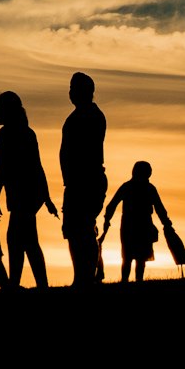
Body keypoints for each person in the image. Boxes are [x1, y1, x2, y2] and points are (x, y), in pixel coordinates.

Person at [0, 92, 58, 289]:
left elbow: (8, 167)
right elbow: (35, 166)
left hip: (25, 193)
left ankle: (16, 284)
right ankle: (30, 284)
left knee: (17, 239)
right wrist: (45, 198)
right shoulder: (25, 132)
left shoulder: (10, 134)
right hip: (28, 193)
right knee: (26, 240)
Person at [59, 72, 107, 288]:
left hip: (86, 180)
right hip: (76, 181)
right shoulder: (79, 116)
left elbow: (85, 151)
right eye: (70, 88)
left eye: (74, 88)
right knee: (74, 231)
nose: (71, 93)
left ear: (86, 91)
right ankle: (81, 276)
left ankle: (86, 277)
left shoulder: (91, 116)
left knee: (83, 229)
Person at [102, 162, 172, 284]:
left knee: (134, 256)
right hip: (136, 224)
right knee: (134, 256)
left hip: (136, 225)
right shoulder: (146, 188)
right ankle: (130, 281)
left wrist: (107, 219)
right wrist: (166, 222)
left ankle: (131, 281)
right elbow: (159, 208)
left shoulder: (130, 187)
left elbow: (111, 205)